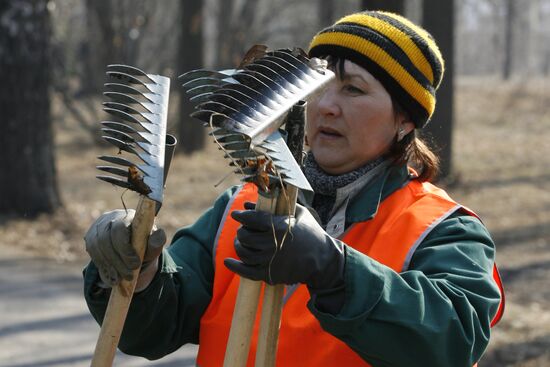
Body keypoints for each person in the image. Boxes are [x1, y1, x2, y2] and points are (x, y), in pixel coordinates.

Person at [83, 10, 504, 366]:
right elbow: (153, 329)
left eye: (353, 89)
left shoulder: (441, 228)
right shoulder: (242, 205)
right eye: (316, 86)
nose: (326, 105)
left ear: (405, 120)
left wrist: (333, 267)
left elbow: (452, 340)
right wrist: (137, 275)